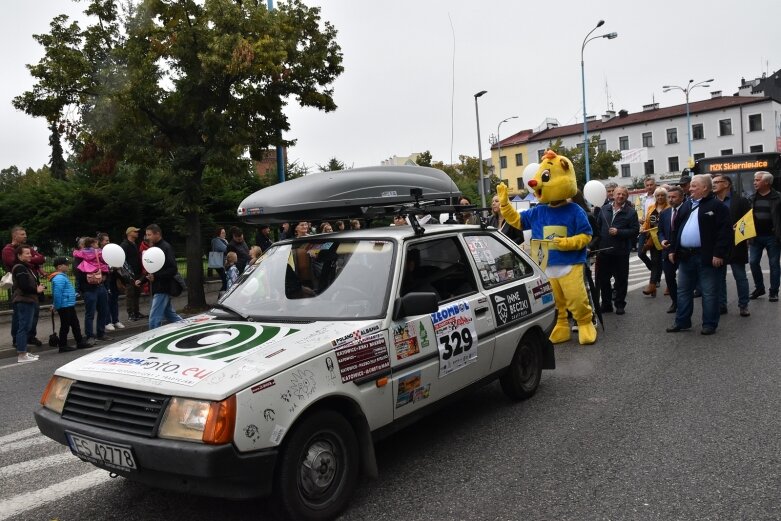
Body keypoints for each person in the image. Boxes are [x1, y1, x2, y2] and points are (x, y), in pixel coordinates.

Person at [666, 174, 731, 335]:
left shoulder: (717, 206)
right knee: (683, 291)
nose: (690, 188)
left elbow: (725, 232)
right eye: (691, 186)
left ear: (705, 188)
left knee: (709, 292)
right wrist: (673, 249)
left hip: (707, 256)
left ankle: (709, 323)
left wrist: (719, 254)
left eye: (694, 186)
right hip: (686, 256)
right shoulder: (687, 205)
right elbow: (676, 229)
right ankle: (682, 321)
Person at [596, 186, 640, 315]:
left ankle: (620, 304)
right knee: (604, 280)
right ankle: (606, 304)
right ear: (613, 195)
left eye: (623, 194)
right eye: (618, 194)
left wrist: (619, 232)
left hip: (621, 252)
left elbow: (635, 231)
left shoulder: (631, 212)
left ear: (626, 197)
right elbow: (598, 228)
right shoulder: (604, 209)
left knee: (621, 280)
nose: (620, 196)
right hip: (604, 251)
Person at [713, 174, 751, 316]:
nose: (714, 184)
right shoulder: (711, 202)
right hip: (718, 246)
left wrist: (741, 230)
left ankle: (743, 305)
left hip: (737, 244)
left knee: (740, 276)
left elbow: (748, 222)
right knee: (719, 277)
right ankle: (722, 304)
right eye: (713, 182)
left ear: (727, 184)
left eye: (717, 182)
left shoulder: (740, 201)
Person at [3, 225, 46, 349]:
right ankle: (18, 340)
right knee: (20, 316)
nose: (25, 236)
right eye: (22, 234)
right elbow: (13, 262)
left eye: (25, 234)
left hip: (33, 284)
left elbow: (42, 258)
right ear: (15, 235)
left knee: (34, 312)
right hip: (21, 286)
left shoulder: (27, 248)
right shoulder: (8, 249)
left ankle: (30, 336)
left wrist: (29, 259)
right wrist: (33, 259)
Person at [137, 224, 183, 329]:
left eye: (149, 235)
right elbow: (151, 268)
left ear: (157, 234)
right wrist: (142, 280)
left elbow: (172, 269)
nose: (147, 237)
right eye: (146, 235)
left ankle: (152, 338)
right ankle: (188, 328)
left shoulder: (166, 247)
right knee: (170, 315)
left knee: (154, 318)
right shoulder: (154, 248)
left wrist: (156, 277)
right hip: (158, 286)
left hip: (163, 287)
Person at [748, 171, 781, 302]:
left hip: (773, 237)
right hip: (755, 237)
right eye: (755, 180)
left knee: (774, 264)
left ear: (766, 182)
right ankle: (759, 288)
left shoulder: (778, 197)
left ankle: (774, 292)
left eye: (757, 180)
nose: (754, 182)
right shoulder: (751, 198)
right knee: (753, 262)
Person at [49, 256, 90, 352]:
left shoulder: (62, 276)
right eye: (66, 265)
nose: (68, 266)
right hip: (64, 306)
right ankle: (63, 346)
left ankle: (79, 342)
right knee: (65, 326)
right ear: (59, 266)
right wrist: (56, 306)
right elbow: (57, 293)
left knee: (75, 324)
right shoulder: (59, 278)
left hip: (68, 304)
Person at [11, 244, 44, 363]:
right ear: (19, 255)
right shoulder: (20, 268)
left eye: (30, 253)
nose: (30, 255)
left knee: (25, 327)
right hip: (24, 300)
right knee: (24, 327)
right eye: (27, 253)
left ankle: (24, 352)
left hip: (28, 300)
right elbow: (24, 286)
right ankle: (22, 354)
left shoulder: (25, 267)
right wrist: (37, 290)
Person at [74, 237, 110, 342]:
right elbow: (77, 273)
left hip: (100, 286)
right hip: (89, 288)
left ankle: (101, 333)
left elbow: (105, 267)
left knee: (103, 311)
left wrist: (104, 276)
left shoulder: (98, 255)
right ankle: (90, 336)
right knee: (90, 313)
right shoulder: (80, 257)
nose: (97, 246)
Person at [658, 186, 685, 313]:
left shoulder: (687, 211)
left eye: (674, 197)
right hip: (667, 250)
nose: (671, 200)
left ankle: (685, 302)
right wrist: (662, 240)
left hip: (683, 250)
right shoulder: (664, 213)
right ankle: (675, 301)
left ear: (681, 197)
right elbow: (660, 231)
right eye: (669, 197)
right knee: (669, 277)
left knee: (687, 278)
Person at [639, 187, 669, 297]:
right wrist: (643, 229)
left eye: (662, 195)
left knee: (667, 262)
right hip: (653, 238)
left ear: (666, 197)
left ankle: (669, 285)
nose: (660, 197)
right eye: (658, 195)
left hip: (666, 238)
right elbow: (647, 222)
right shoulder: (652, 207)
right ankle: (652, 285)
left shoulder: (669, 208)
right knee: (655, 261)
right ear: (655, 197)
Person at [98, 232, 124, 332]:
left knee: (114, 300)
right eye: (106, 240)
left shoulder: (112, 251)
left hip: (113, 279)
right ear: (101, 242)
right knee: (106, 301)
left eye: (109, 240)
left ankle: (116, 320)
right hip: (105, 280)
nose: (108, 242)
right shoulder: (99, 252)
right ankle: (107, 322)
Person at [121, 226, 146, 321]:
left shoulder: (134, 244)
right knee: (130, 294)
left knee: (137, 293)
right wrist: (127, 273)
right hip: (130, 274)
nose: (137, 233)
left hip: (137, 272)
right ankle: (130, 314)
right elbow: (123, 260)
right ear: (129, 233)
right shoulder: (125, 245)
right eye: (135, 231)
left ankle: (136, 312)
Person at [211, 227, 229, 294]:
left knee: (225, 281)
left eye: (224, 232)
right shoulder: (216, 241)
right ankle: (220, 298)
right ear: (218, 233)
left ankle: (221, 298)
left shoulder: (223, 240)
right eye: (222, 233)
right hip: (220, 264)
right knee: (225, 281)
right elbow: (226, 249)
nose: (224, 234)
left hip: (222, 264)